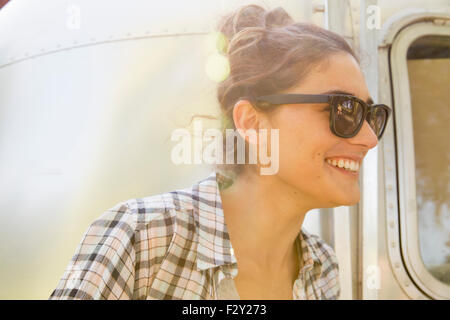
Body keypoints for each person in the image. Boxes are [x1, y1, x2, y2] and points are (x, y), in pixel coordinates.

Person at [49, 4, 391, 300]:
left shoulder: (322, 268)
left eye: (372, 115)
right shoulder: (142, 238)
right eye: (344, 110)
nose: (369, 138)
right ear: (252, 122)